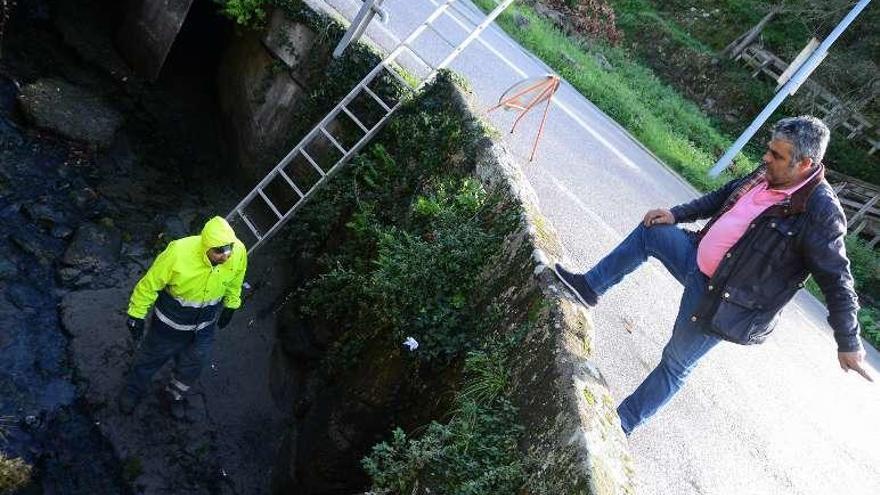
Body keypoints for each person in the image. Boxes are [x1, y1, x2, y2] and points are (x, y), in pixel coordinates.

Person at [553, 116, 873, 436]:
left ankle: (620, 425)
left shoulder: (822, 212)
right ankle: (589, 287)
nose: (766, 158)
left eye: (777, 155)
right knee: (652, 231)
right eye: (769, 150)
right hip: (695, 258)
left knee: (675, 364)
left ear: (805, 163)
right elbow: (721, 197)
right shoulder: (769, 173)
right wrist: (677, 214)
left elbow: (838, 280)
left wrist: (848, 341)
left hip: (722, 301)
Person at [118, 216, 247, 417]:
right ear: (206, 247)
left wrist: (231, 304)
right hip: (168, 328)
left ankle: (174, 395)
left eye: (229, 247)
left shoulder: (238, 252)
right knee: (149, 360)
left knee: (194, 363)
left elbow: (236, 280)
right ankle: (131, 392)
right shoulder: (178, 252)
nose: (226, 255)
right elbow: (149, 285)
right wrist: (136, 314)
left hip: (203, 328)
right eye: (219, 250)